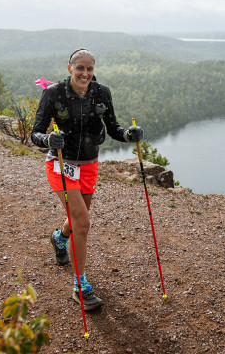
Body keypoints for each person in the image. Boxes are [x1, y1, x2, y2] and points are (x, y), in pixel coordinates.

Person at [31, 48, 143, 310]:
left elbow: (113, 127)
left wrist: (129, 135)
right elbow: (35, 133)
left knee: (76, 221)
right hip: (62, 163)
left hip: (90, 164)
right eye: (80, 68)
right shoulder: (54, 93)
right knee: (82, 222)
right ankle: (80, 287)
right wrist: (48, 139)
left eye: (89, 69)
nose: (85, 73)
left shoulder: (101, 92)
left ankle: (60, 238)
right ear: (69, 67)